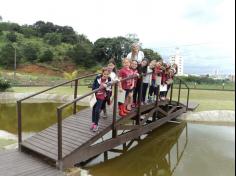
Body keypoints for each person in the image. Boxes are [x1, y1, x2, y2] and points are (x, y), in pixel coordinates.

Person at [90, 67, 111, 132]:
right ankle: (93, 122)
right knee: (94, 109)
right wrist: (97, 89)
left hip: (102, 97)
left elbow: (110, 89)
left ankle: (96, 124)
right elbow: (94, 86)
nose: (106, 75)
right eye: (105, 74)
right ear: (102, 73)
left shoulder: (109, 79)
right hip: (95, 95)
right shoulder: (98, 78)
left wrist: (106, 86)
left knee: (97, 110)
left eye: (107, 74)